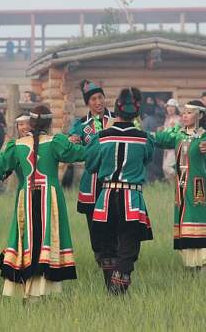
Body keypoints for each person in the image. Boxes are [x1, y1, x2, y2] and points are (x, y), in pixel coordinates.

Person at [0, 106, 85, 299]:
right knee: (47, 238)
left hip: (26, 196)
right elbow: (79, 154)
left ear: (31, 123)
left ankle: (23, 286)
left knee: (26, 238)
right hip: (50, 196)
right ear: (50, 123)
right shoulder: (56, 142)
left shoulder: (16, 145)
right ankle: (45, 288)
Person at [85, 88, 156, 293]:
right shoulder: (144, 138)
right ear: (136, 112)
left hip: (106, 196)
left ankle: (110, 286)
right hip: (132, 196)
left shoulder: (102, 137)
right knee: (129, 241)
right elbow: (147, 159)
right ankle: (120, 285)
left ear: (116, 110)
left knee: (106, 242)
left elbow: (91, 165)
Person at [154, 101, 206, 270]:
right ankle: (192, 265)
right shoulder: (177, 135)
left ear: (200, 116)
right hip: (181, 188)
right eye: (184, 113)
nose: (184, 115)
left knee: (202, 219)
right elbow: (159, 139)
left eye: (189, 112)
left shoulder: (205, 134)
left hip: (198, 187)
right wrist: (139, 133)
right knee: (186, 221)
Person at [68, 80, 115, 266]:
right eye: (93, 99)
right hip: (92, 181)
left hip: (113, 178)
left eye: (100, 97)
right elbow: (71, 141)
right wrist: (73, 139)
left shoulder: (116, 120)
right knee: (94, 221)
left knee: (114, 217)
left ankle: (114, 253)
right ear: (88, 102)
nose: (98, 102)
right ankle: (101, 255)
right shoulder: (81, 125)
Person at [161, 98, 181, 181]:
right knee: (164, 168)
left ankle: (180, 180)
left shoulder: (179, 119)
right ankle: (172, 187)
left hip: (174, 147)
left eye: (172, 107)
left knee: (168, 167)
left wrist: (175, 128)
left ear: (176, 109)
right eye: (168, 107)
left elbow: (180, 133)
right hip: (166, 147)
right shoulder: (167, 119)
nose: (170, 109)